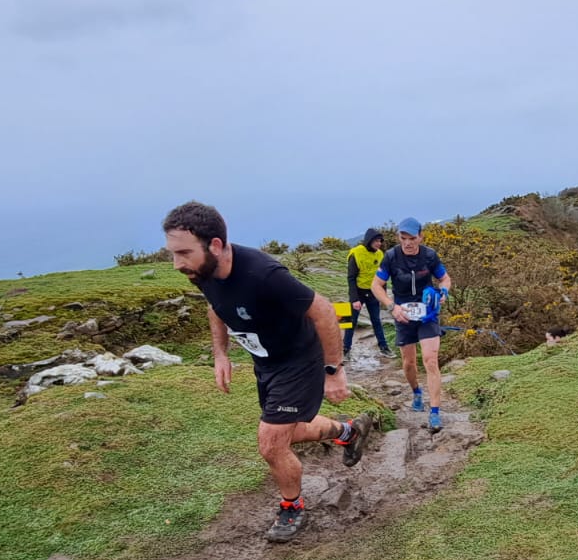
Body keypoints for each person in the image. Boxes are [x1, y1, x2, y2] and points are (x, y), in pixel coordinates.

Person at [163, 201, 373, 542]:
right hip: (266, 363)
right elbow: (215, 307)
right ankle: (347, 432)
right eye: (173, 253)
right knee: (289, 432)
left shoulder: (263, 275)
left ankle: (292, 507)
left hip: (299, 360)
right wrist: (220, 353)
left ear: (215, 245)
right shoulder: (202, 271)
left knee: (271, 444)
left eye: (183, 252)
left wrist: (333, 371)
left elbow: (322, 311)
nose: (177, 263)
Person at [371, 217, 452, 432]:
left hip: (427, 314)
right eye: (403, 238)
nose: (407, 243)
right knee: (409, 363)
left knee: (430, 360)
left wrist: (443, 292)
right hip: (403, 315)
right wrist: (391, 306)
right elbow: (376, 285)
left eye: (412, 238)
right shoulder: (391, 257)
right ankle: (416, 391)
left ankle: (434, 412)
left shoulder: (429, 255)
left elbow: (445, 279)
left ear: (420, 237)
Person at [345, 228, 395, 360]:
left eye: (380, 241)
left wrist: (383, 296)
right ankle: (345, 349)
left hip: (373, 291)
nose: (379, 243)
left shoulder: (380, 254)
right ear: (369, 240)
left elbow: (382, 278)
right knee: (351, 321)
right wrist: (354, 299)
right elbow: (351, 278)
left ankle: (384, 348)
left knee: (376, 321)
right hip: (358, 291)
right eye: (377, 241)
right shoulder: (356, 253)